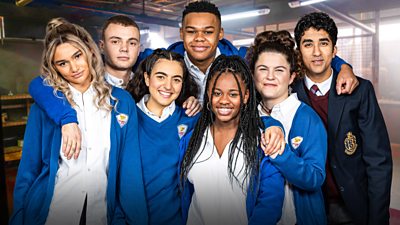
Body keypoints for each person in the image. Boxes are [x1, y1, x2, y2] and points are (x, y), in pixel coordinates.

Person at [9, 19, 147, 225]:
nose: (74, 68)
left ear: (90, 52)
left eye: (77, 56)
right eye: (62, 63)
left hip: (101, 213)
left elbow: (130, 170)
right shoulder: (46, 106)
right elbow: (28, 169)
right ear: (54, 68)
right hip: (53, 212)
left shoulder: (121, 102)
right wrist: (18, 218)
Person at [27, 15, 202, 159]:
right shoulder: (85, 83)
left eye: (132, 42)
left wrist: (186, 97)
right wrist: (67, 118)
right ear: (101, 46)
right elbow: (40, 84)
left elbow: (170, 74)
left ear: (139, 48)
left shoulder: (149, 80)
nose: (124, 49)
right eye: (116, 41)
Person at [292, 12, 392, 225]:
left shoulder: (360, 91)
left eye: (324, 43)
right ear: (299, 51)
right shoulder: (290, 93)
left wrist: (378, 219)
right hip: (306, 206)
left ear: (334, 50)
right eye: (308, 44)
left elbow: (378, 161)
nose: (317, 52)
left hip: (351, 206)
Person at [179, 55, 285, 225]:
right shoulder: (191, 140)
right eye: (217, 93)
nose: (224, 101)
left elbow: (271, 202)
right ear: (208, 94)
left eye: (233, 94)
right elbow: (185, 196)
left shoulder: (261, 141)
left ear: (246, 96)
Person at [248, 30, 328, 225]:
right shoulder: (246, 117)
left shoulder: (308, 119)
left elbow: (315, 177)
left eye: (279, 70)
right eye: (263, 69)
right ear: (253, 73)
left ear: (292, 76)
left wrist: (279, 153)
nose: (270, 76)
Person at [123, 49, 200, 224]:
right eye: (161, 76)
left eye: (176, 79)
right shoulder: (125, 119)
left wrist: (272, 125)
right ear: (146, 78)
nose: (168, 86)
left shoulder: (191, 120)